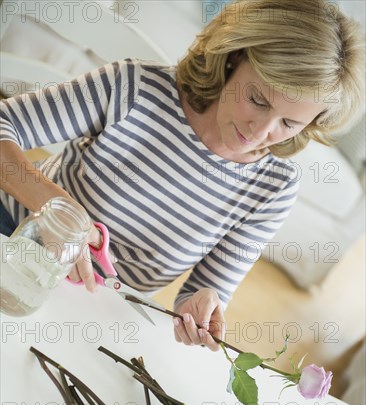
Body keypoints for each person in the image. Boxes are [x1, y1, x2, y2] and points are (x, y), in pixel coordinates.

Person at [0, 0, 364, 351]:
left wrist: (201, 306)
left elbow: (203, 292)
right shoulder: (136, 88)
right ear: (233, 58)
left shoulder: (274, 188)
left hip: (92, 310)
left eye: (288, 123)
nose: (260, 131)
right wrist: (59, 212)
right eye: (257, 99)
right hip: (10, 241)